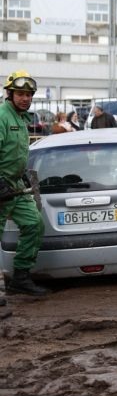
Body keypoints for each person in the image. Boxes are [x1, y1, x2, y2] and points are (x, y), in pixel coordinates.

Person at [0, 71, 49, 301]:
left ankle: (20, 279)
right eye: (20, 94)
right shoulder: (2, 116)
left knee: (34, 224)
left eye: (29, 95)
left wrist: (22, 174)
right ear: (9, 94)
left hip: (15, 186)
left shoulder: (21, 118)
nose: (25, 98)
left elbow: (14, 152)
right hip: (2, 187)